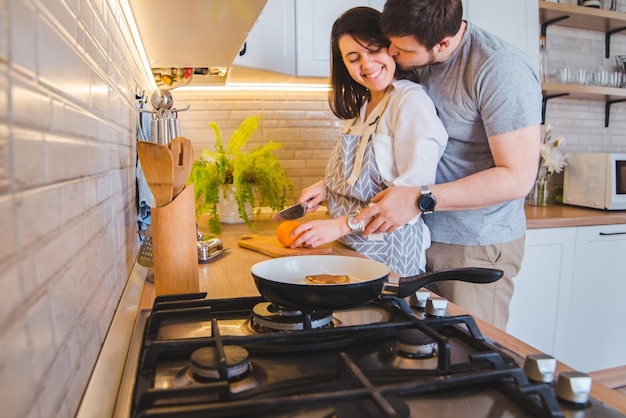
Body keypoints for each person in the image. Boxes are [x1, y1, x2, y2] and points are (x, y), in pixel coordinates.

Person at [354, 0, 542, 329]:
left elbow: (518, 177)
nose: (392, 54)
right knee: (426, 350)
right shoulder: (419, 55)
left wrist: (418, 197)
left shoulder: (499, 68)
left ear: (443, 43)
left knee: (471, 355)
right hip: (420, 238)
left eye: (401, 49)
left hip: (475, 246)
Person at [289, 6, 448, 277]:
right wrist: (327, 188)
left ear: (392, 47)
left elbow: (409, 198)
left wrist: (339, 226)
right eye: (353, 58)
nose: (366, 64)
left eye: (374, 50)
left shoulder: (410, 102)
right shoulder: (361, 108)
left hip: (391, 258)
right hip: (353, 252)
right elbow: (364, 177)